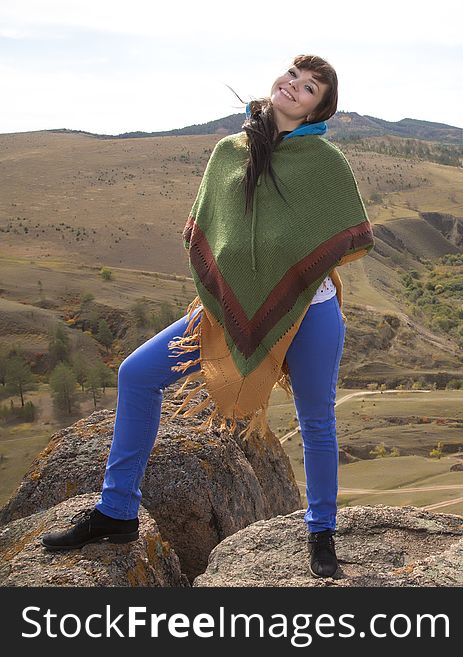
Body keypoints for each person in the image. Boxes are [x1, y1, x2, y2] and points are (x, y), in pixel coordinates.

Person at [40, 54, 375, 579]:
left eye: (309, 88)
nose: (294, 86)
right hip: (226, 313)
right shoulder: (230, 151)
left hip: (311, 314)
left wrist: (287, 263)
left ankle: (322, 532)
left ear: (317, 109)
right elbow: (211, 232)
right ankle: (116, 510)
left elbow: (347, 235)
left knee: (317, 421)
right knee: (136, 374)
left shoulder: (325, 163)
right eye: (293, 76)